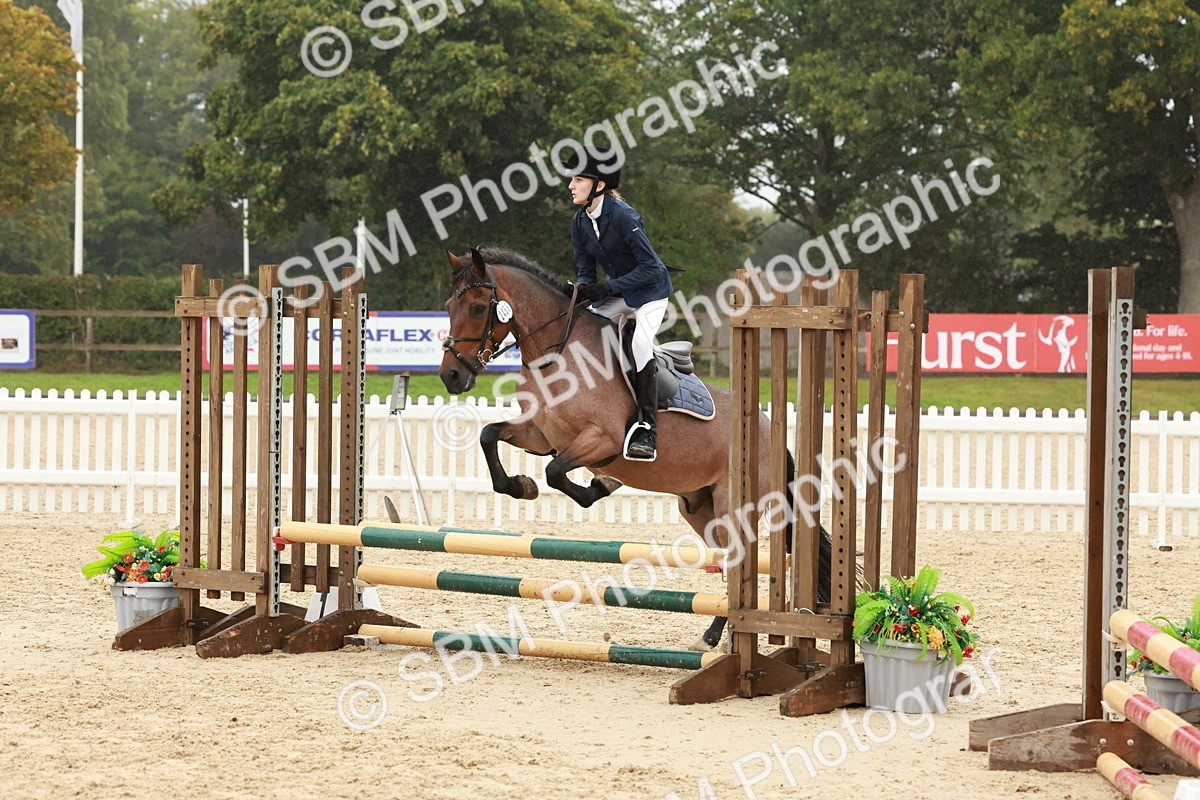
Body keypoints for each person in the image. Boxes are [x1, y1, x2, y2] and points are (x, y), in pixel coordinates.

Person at [568, 152, 673, 462]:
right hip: (621, 294)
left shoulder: (625, 217)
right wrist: (584, 292)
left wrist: (609, 287)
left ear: (599, 185)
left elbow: (651, 268)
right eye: (572, 179)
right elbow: (586, 271)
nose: (570, 186)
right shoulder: (579, 221)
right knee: (587, 331)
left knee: (641, 344)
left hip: (651, 293)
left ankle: (647, 428)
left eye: (578, 180)